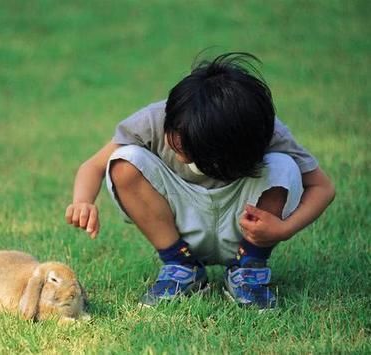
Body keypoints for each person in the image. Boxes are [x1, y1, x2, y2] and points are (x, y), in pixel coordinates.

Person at [65, 52, 335, 310]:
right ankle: (181, 266)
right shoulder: (155, 120)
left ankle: (249, 268)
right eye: (176, 139)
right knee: (123, 161)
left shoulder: (263, 131)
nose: (179, 153)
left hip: (244, 221)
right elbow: (94, 165)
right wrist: (83, 201)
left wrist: (283, 229)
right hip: (179, 220)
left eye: (191, 150)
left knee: (283, 166)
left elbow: (323, 187)